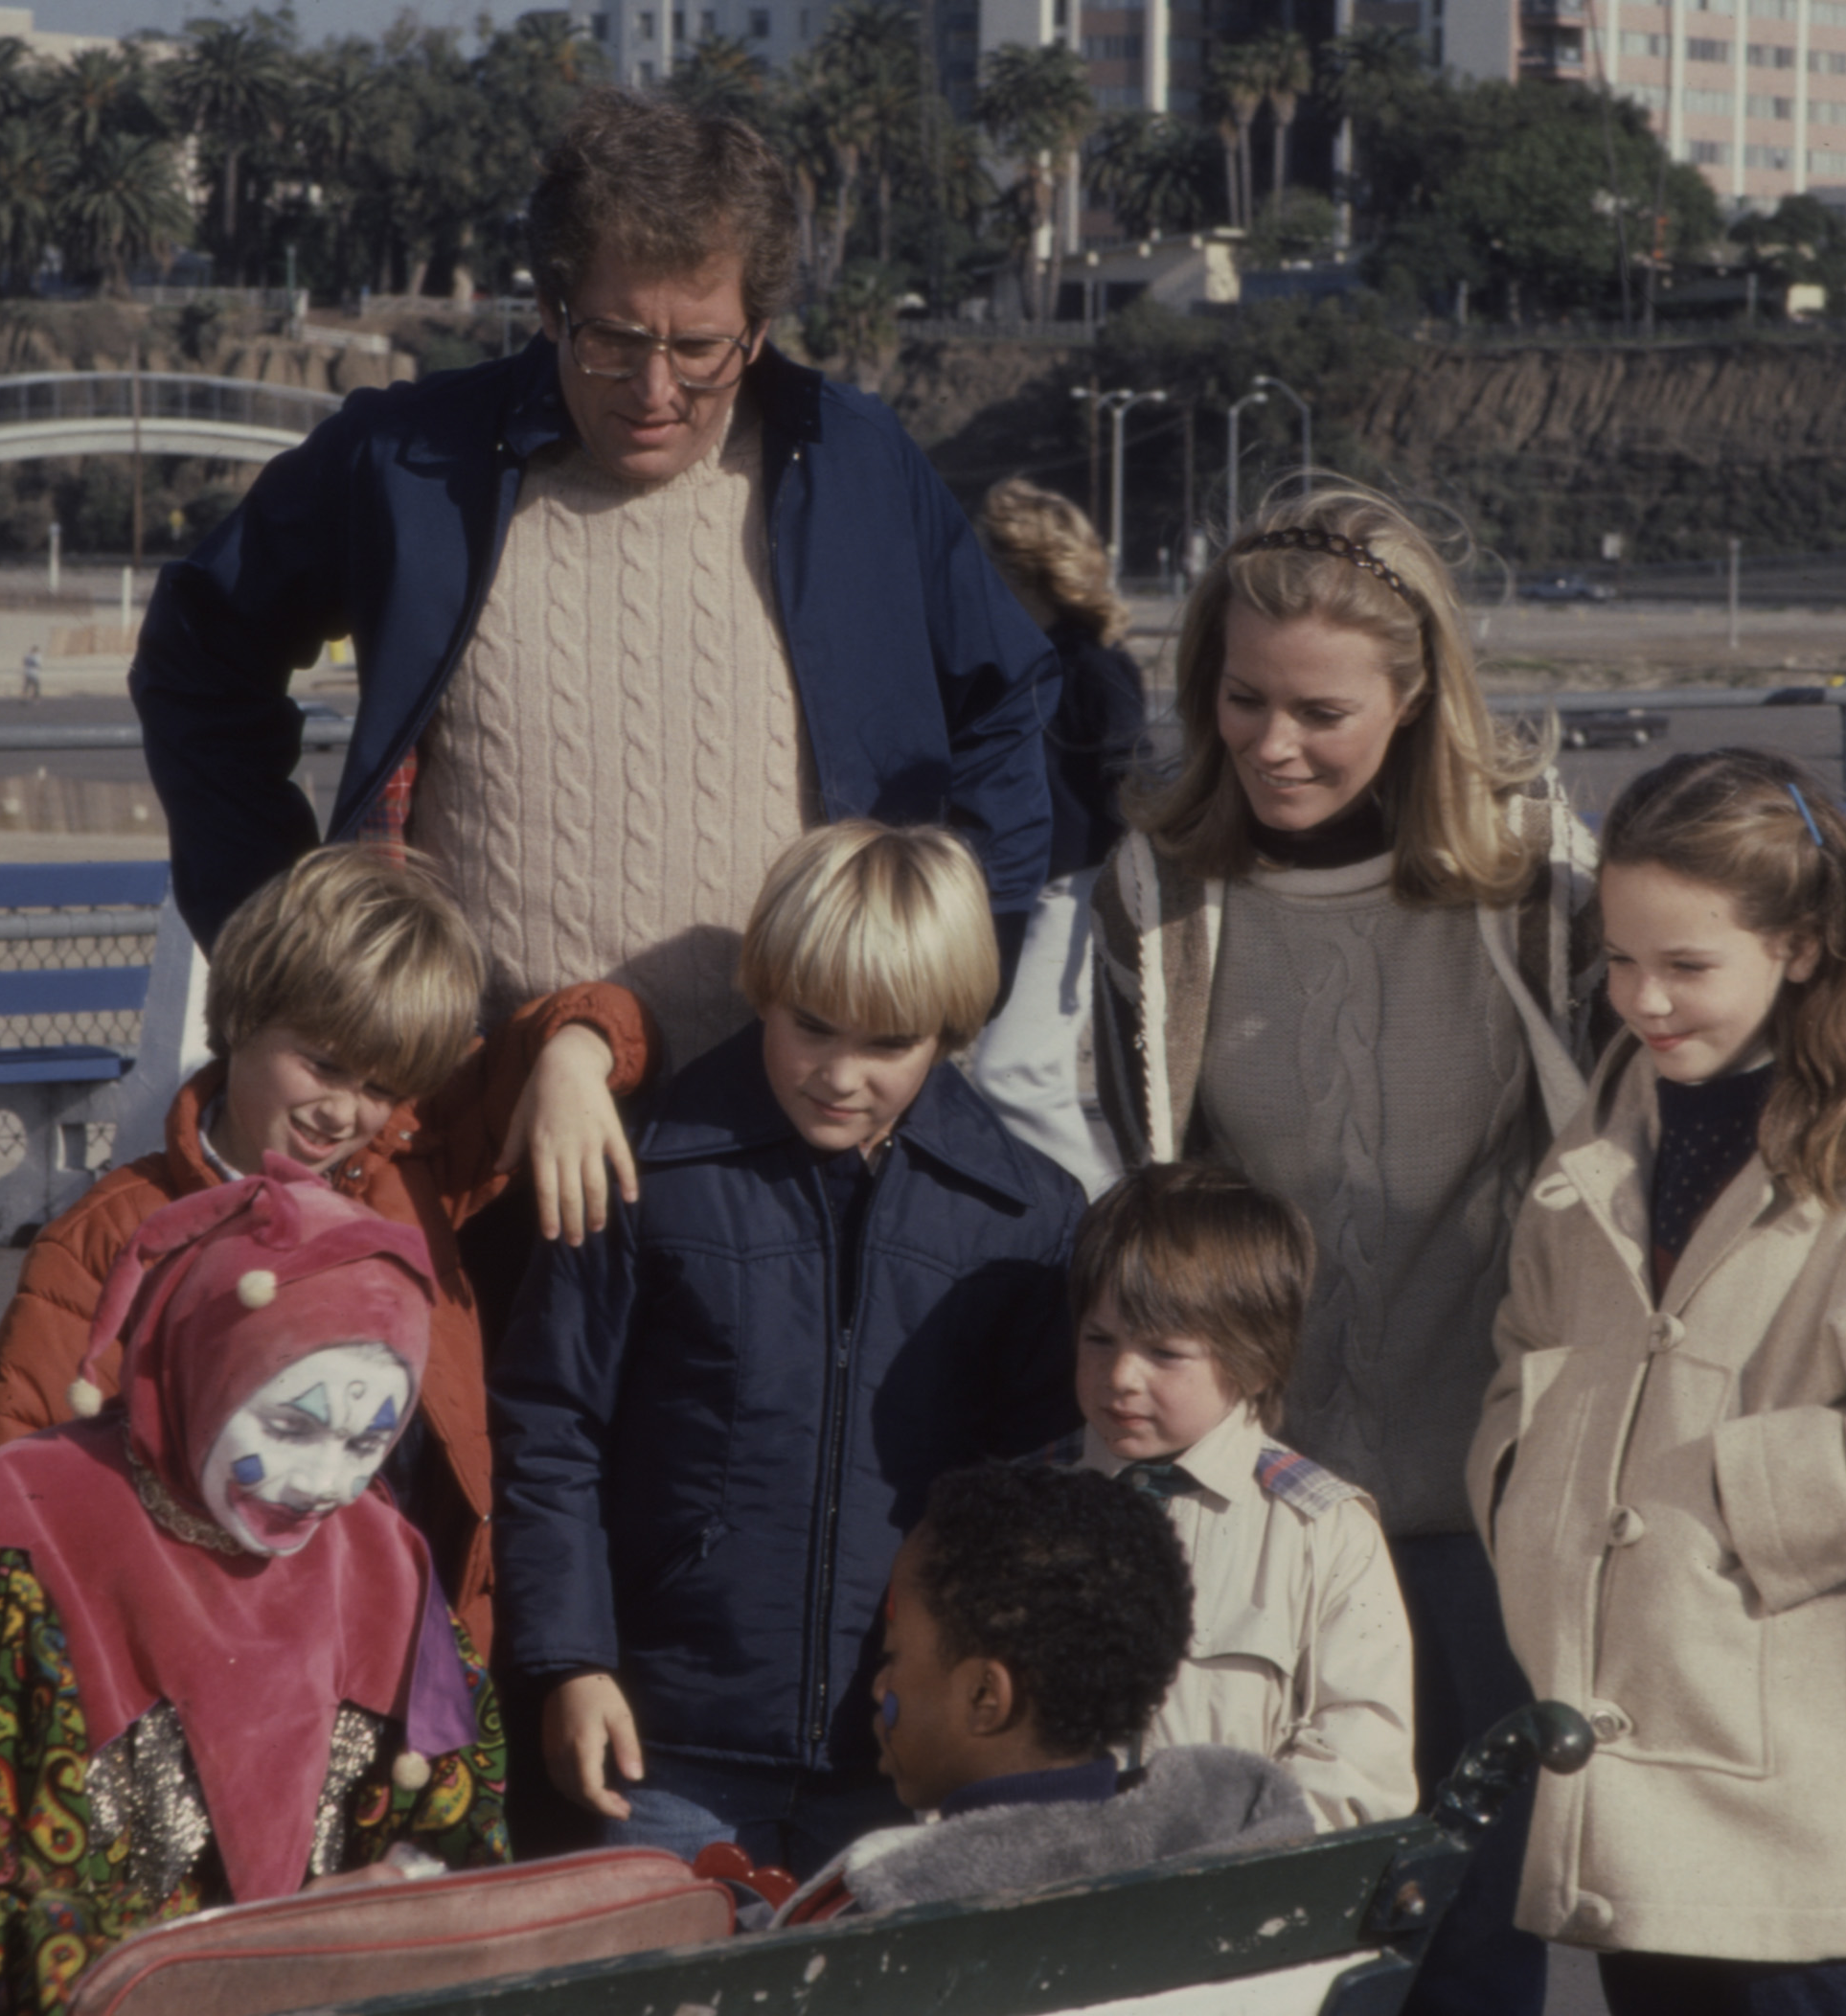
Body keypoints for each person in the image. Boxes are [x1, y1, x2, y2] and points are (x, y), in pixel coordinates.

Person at [132, 89, 1056, 1073]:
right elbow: (203, 651)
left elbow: (1007, 705)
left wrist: (959, 972)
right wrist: (283, 932)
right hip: (486, 1112)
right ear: (548, 308)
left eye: (701, 349)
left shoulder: (858, 462)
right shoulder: (407, 459)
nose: (657, 393)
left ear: (760, 324)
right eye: (614, 341)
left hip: (796, 1127)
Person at [1092, 482, 1595, 2014]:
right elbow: (1141, 1190)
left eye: (1321, 710)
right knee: (1254, 1963)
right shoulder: (1158, 892)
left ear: (1419, 692)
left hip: (1485, 1526)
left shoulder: (1537, 886)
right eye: (1240, 700)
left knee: (1473, 1965)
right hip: (1264, 1526)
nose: (1271, 744)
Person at [1470, 749, 1846, 2016]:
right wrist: (1520, 1485)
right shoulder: (1610, 1123)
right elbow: (1523, 1347)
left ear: (1804, 946)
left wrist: (1715, 1496)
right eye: (1619, 960)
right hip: (1620, 1760)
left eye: (1687, 966)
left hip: (1783, 1782)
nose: (1643, 999)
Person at [490, 821, 1087, 1877]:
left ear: (949, 1030)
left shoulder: (1027, 1218)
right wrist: (571, 1661)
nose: (841, 1074)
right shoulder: (640, 1172)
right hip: (662, 1741)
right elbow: (551, 1423)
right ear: (763, 986)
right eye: (814, 1026)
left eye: (888, 1042)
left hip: (904, 1760)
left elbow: (1038, 1492)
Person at [0, 1168, 509, 2016]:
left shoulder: (384, 1566)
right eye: (291, 1425)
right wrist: (243, 1959)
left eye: (369, 1441)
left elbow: (456, 1837)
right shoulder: (3, 1556)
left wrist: (391, 1909)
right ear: (204, 1364)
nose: (325, 1484)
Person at [0, 844, 654, 1659]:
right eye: (321, 1064)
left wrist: (573, 1054)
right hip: (206, 1658)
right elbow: (21, 1472)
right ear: (246, 1016)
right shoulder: (115, 1238)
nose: (341, 1112)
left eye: (379, 1087)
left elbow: (604, 1009)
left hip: (408, 1650)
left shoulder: (409, 1161)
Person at [771, 1462, 1314, 1926]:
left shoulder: (874, 1897)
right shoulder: (1232, 1848)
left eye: (892, 1657)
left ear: (986, 1697)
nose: (878, 1685)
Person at [1055, 1162, 1416, 1830]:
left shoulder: (1323, 1529)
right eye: (1098, 1340)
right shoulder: (1025, 1509)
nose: (1120, 1377)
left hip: (1240, 1900)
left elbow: (1363, 1762)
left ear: (1253, 1357)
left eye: (1164, 1352)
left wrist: (1229, 1852)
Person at [967, 476, 1148, 1196]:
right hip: (1017, 886)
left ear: (1020, 570)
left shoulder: (1093, 667)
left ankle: (1107, 1216)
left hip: (1071, 893)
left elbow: (1132, 783)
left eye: (987, 565)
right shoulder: (1023, 660)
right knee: (996, 1073)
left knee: (1014, 1071)